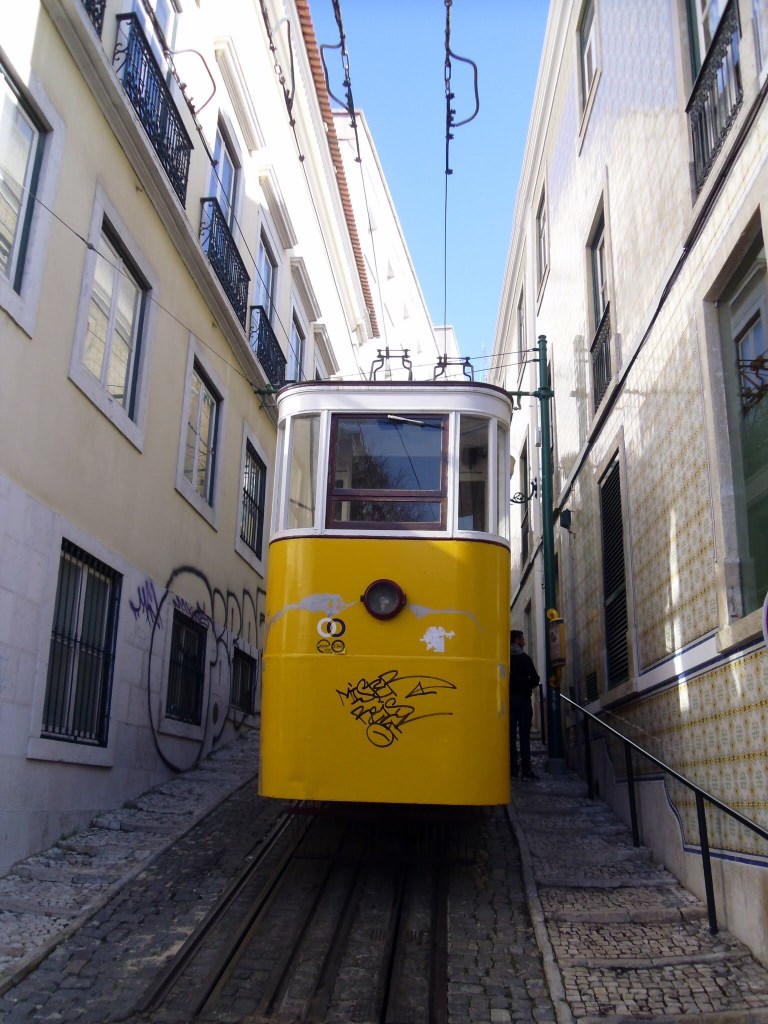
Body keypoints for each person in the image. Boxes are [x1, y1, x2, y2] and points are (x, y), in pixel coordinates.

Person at [508, 629, 540, 780]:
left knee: (510, 736)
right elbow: (535, 679)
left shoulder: (505, 659)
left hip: (509, 701)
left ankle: (512, 768)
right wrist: (525, 685)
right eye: (522, 639)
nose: (524, 642)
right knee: (524, 736)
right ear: (517, 641)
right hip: (523, 702)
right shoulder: (525, 659)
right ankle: (526, 769)